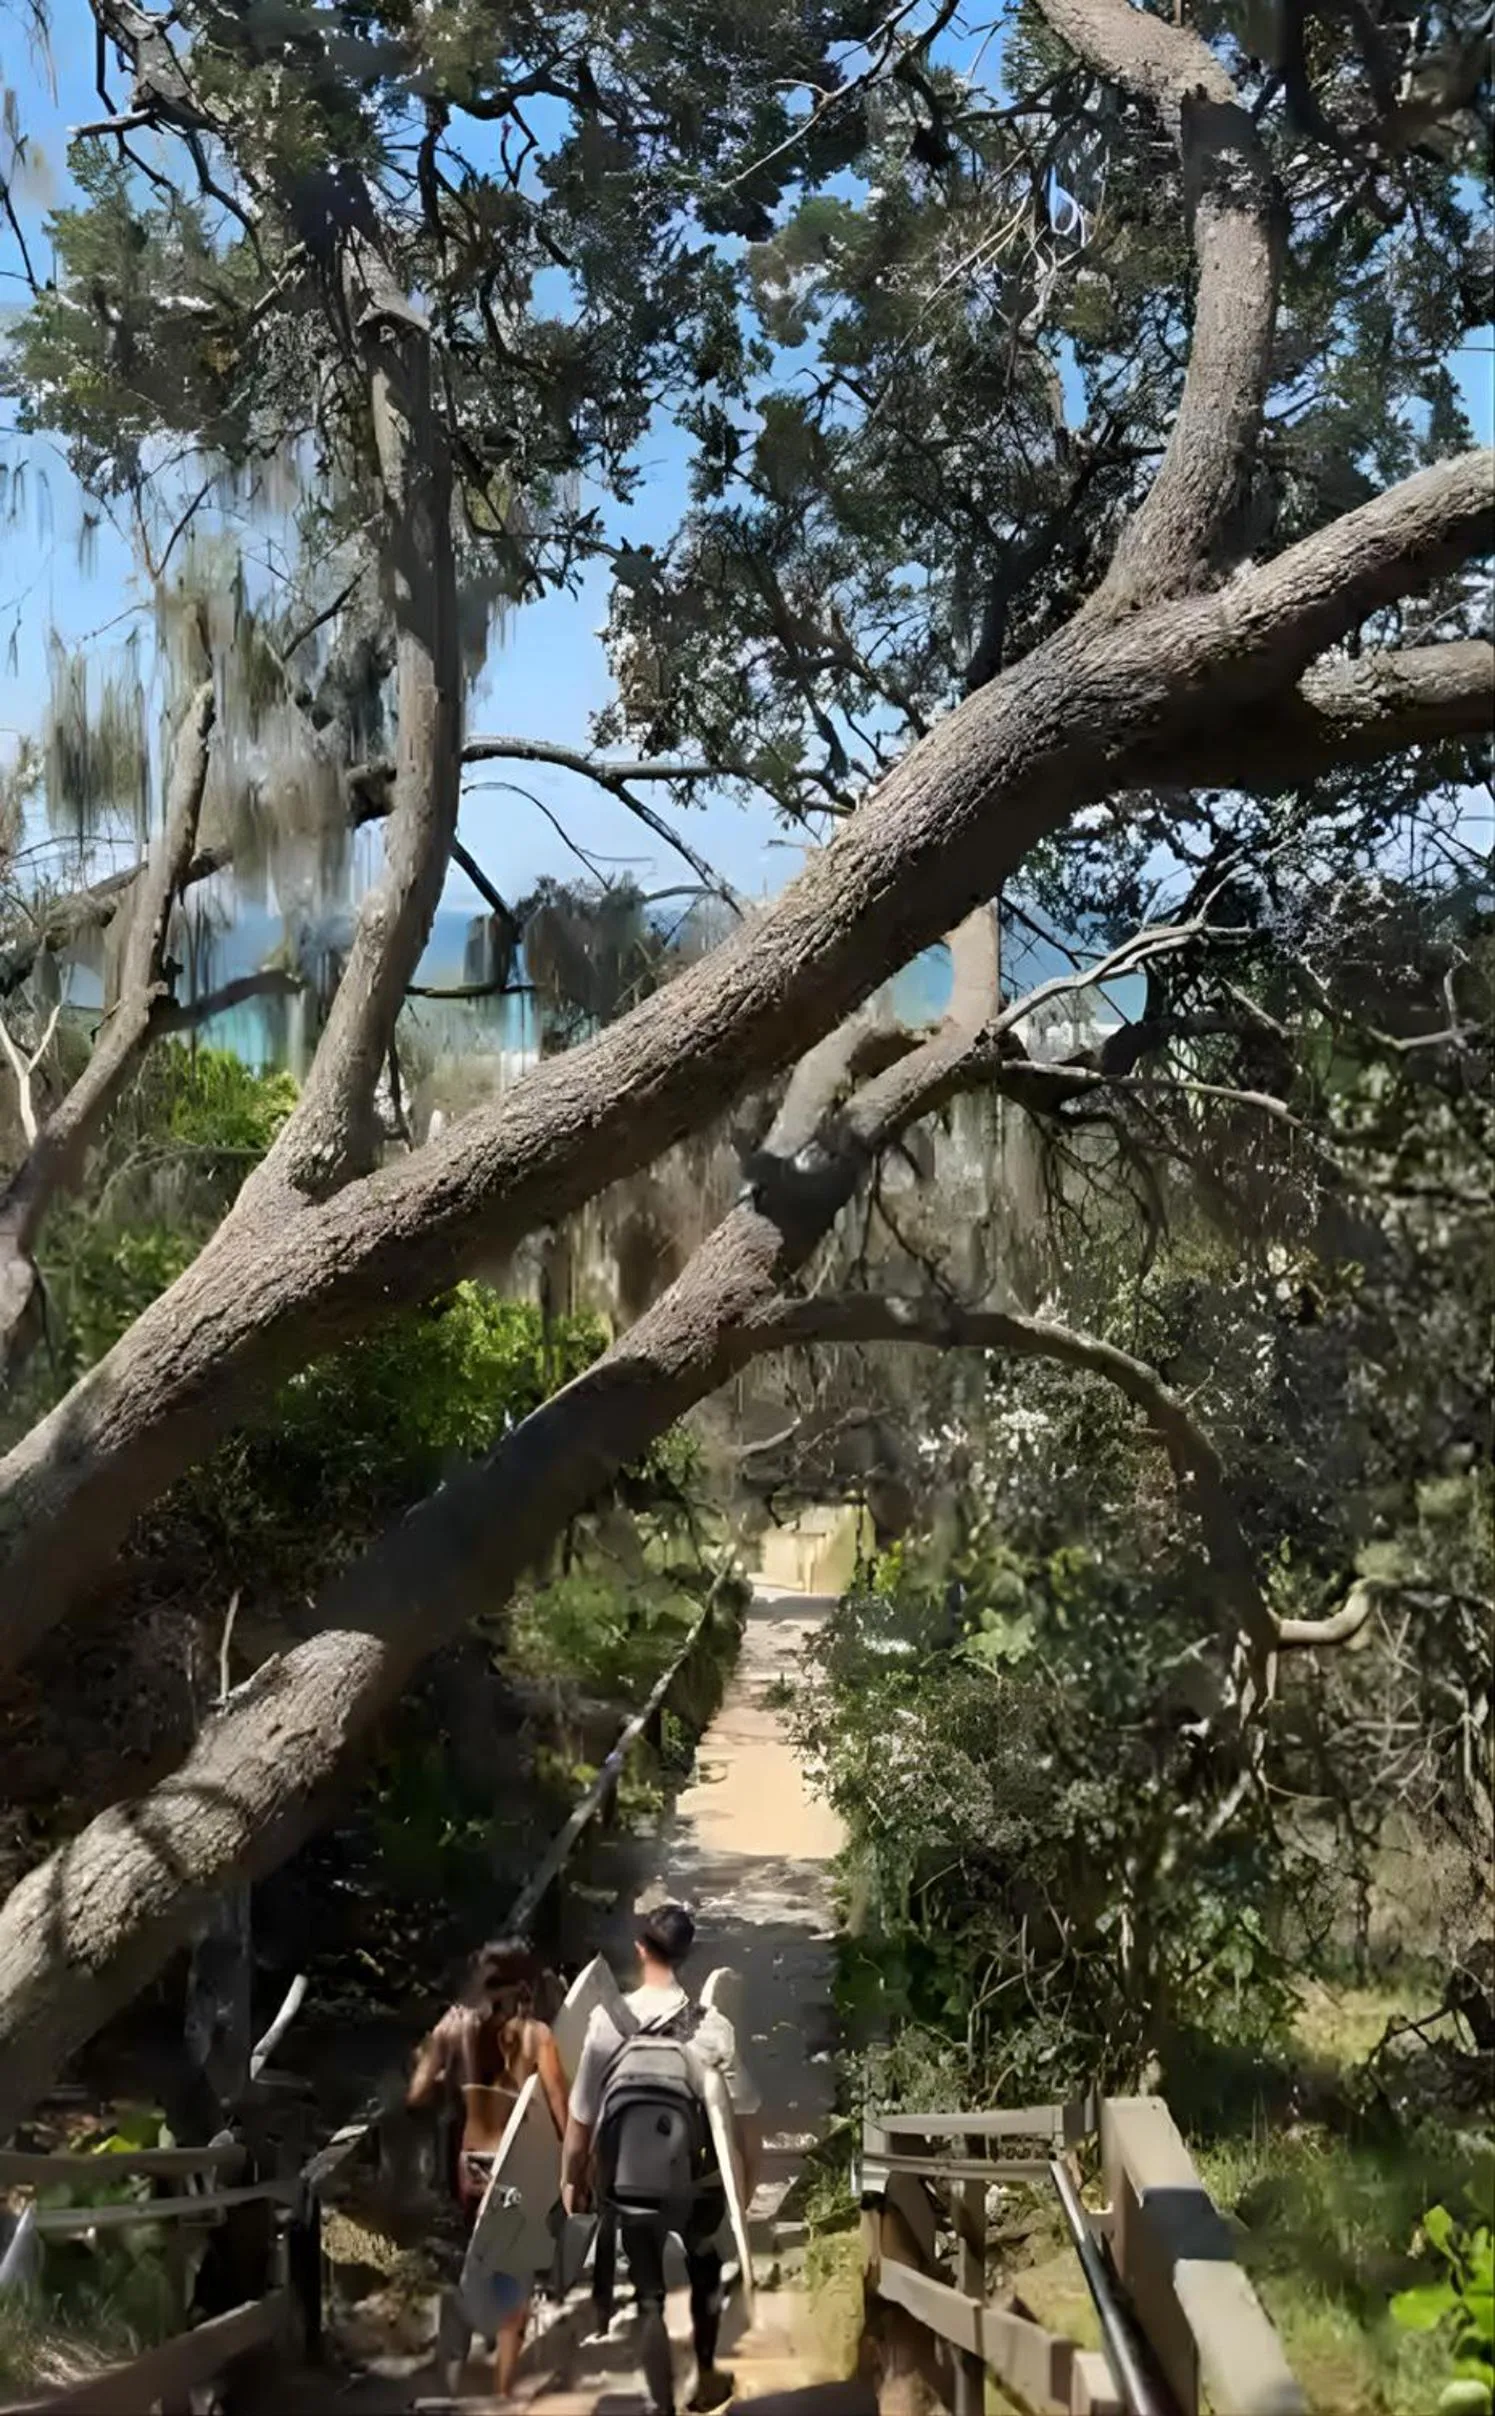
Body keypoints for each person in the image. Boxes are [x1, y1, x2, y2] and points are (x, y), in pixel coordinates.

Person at [561, 1904, 761, 2416]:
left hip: (629, 2185)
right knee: (706, 2270)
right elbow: (743, 2123)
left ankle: (661, 2402)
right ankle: (706, 2370)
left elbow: (581, 2116)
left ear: (640, 1950)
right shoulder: (712, 2027)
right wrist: (743, 2192)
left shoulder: (607, 2021)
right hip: (695, 2185)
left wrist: (571, 2181)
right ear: (687, 1954)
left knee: (648, 2295)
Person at [408, 1936, 570, 2401]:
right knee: (513, 2274)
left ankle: (454, 2369)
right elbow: (559, 2109)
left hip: (469, 2169)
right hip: (515, 2169)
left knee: (480, 2256)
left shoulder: (452, 2025)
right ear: (524, 1984)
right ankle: (502, 2396)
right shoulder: (538, 2036)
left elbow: (416, 2094)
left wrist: (443, 2076)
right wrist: (570, 2172)